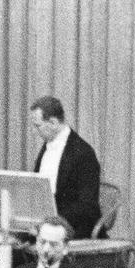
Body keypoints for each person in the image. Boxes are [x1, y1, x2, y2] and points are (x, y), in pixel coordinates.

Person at [29, 95, 101, 239]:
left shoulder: (83, 153)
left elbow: (87, 206)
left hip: (74, 227)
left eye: (37, 126)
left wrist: (49, 224)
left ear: (54, 123)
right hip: (47, 223)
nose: (34, 131)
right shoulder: (47, 146)